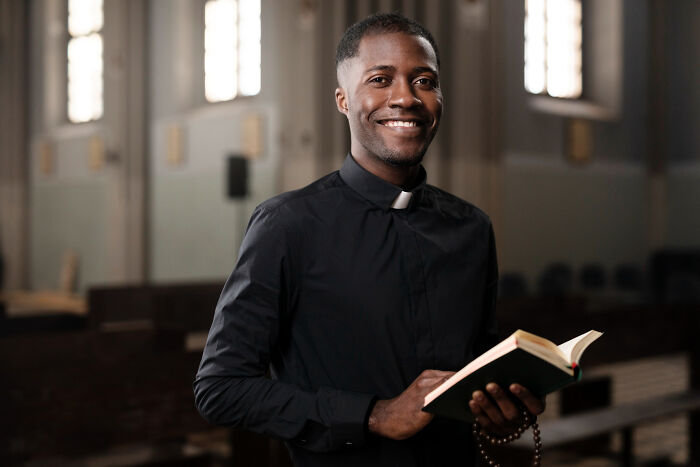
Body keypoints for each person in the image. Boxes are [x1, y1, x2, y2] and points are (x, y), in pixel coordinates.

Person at [194, 12, 545, 467]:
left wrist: (498, 407)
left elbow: (475, 369)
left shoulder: (472, 228)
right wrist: (374, 415)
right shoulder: (288, 225)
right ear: (343, 100)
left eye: (424, 81)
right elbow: (220, 389)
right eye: (380, 79)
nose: (405, 97)